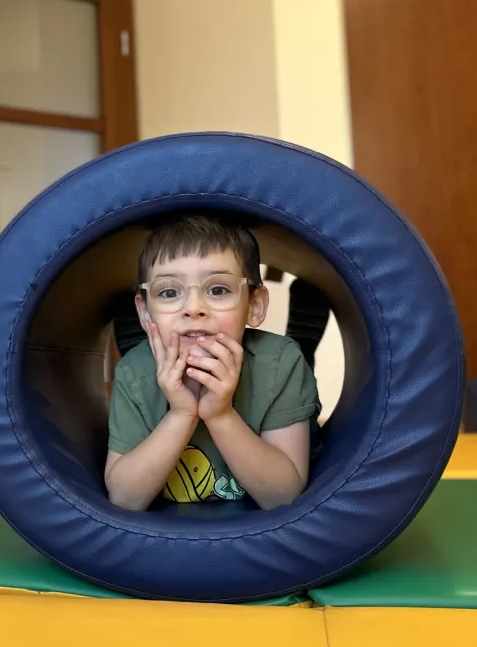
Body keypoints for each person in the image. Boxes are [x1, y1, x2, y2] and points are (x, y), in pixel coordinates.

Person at [104, 213, 320, 512]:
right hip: (147, 360)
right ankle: (138, 334)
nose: (194, 308)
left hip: (267, 363)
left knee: (293, 354)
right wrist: (181, 414)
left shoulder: (281, 363)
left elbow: (284, 498)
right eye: (169, 292)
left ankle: (304, 338)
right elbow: (124, 499)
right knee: (142, 357)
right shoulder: (133, 372)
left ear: (254, 306)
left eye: (218, 290)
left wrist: (220, 414)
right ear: (145, 311)